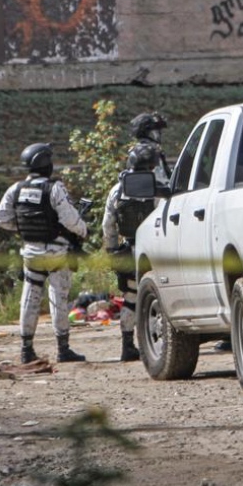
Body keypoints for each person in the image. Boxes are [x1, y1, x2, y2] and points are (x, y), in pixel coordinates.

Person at [0, 142, 89, 364]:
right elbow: (70, 220)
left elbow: (0, 219)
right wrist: (84, 230)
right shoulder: (54, 188)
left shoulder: (15, 189)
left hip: (30, 253)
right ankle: (63, 349)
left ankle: (26, 350)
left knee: (29, 299)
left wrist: (23, 228)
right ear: (47, 164)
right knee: (58, 298)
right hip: (56, 254)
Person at [101, 142, 161, 362]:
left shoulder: (117, 190)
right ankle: (155, 344)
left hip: (128, 249)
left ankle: (128, 345)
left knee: (130, 298)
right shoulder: (157, 187)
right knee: (158, 297)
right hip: (154, 250)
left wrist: (112, 251)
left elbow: (108, 225)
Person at [129, 111, 172, 186]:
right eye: (156, 131)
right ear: (147, 132)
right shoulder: (147, 152)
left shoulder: (138, 150)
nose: (159, 135)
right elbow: (161, 180)